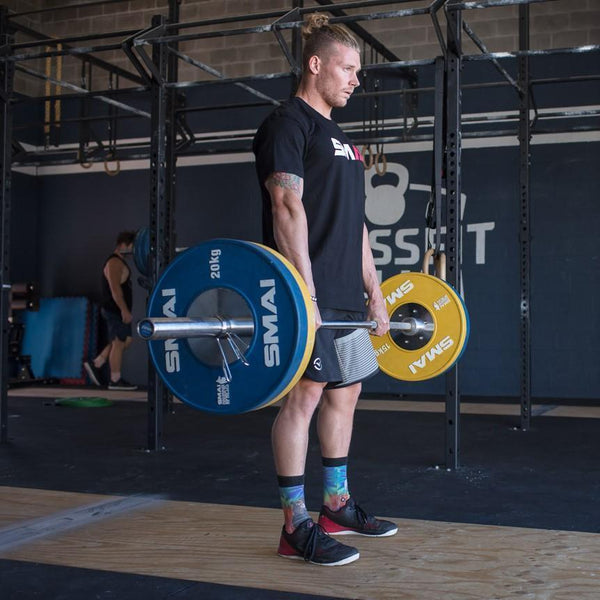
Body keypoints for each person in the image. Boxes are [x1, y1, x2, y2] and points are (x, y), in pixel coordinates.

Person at [252, 14, 397, 567]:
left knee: (347, 391)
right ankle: (295, 522)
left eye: (359, 72)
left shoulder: (344, 141)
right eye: (348, 68)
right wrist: (306, 298)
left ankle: (335, 504)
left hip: (345, 296)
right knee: (305, 398)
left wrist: (375, 293)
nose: (356, 80)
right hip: (304, 293)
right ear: (316, 65)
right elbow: (286, 205)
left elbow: (356, 223)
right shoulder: (288, 124)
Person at [84, 231, 138, 391]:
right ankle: (115, 380)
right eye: (133, 246)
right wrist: (124, 310)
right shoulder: (114, 263)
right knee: (119, 342)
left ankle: (98, 362)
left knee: (125, 340)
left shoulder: (120, 262)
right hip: (114, 309)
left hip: (116, 309)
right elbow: (115, 289)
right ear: (124, 245)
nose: (134, 250)